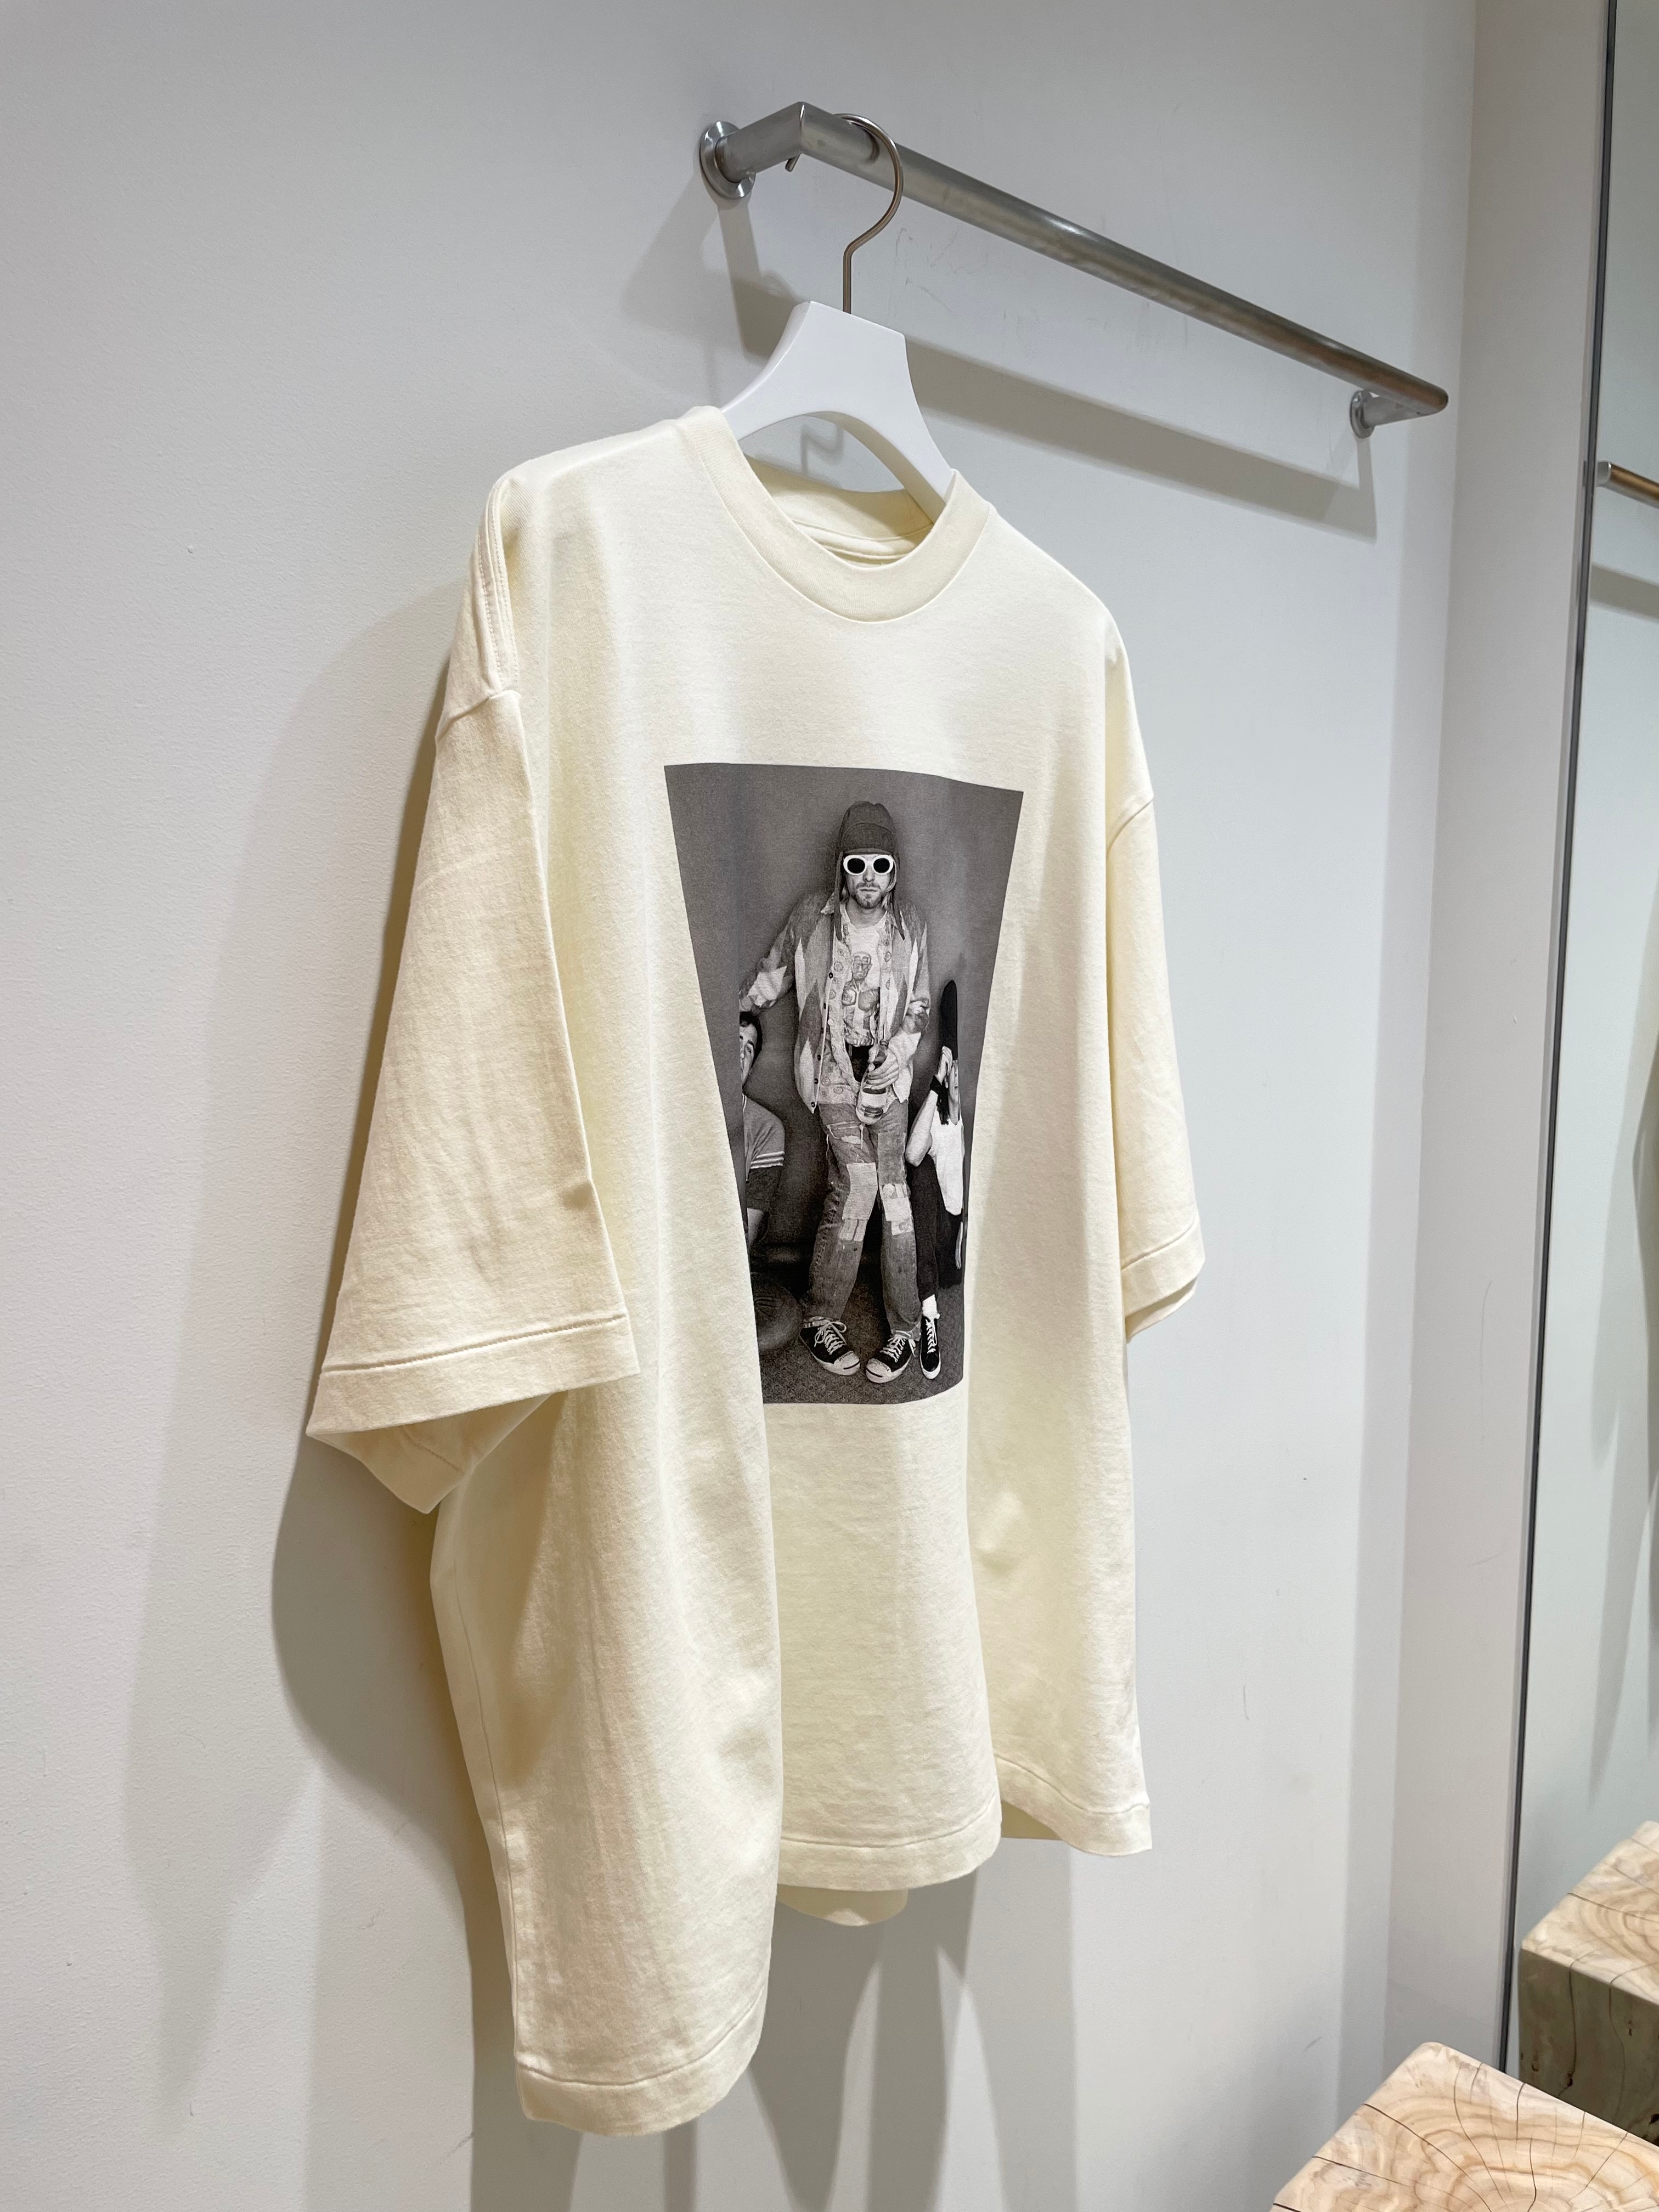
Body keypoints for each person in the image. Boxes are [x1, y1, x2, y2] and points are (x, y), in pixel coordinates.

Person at [739, 799, 929, 1384]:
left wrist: (898, 1055)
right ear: (842, 867)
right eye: (857, 864)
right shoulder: (812, 918)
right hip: (831, 1075)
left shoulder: (911, 924)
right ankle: (821, 1318)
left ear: (894, 872)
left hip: (888, 1079)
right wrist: (731, 1014)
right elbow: (770, 978)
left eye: (880, 865)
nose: (869, 876)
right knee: (860, 1184)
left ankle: (904, 1330)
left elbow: (918, 1006)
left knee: (896, 1197)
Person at [905, 978, 965, 1382]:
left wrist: (952, 1072)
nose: (955, 1082)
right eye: (951, 1080)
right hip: (929, 1230)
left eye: (958, 1076)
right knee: (921, 1172)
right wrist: (936, 1084)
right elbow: (913, 1155)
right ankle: (930, 1315)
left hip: (949, 1249)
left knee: (928, 1175)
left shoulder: (960, 1128)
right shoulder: (937, 1125)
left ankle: (932, 1296)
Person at [738, 1012, 786, 1250]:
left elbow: (746, 1236)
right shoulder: (677, 1113)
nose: (741, 1054)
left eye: (749, 1049)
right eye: (734, 1041)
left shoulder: (767, 1129)